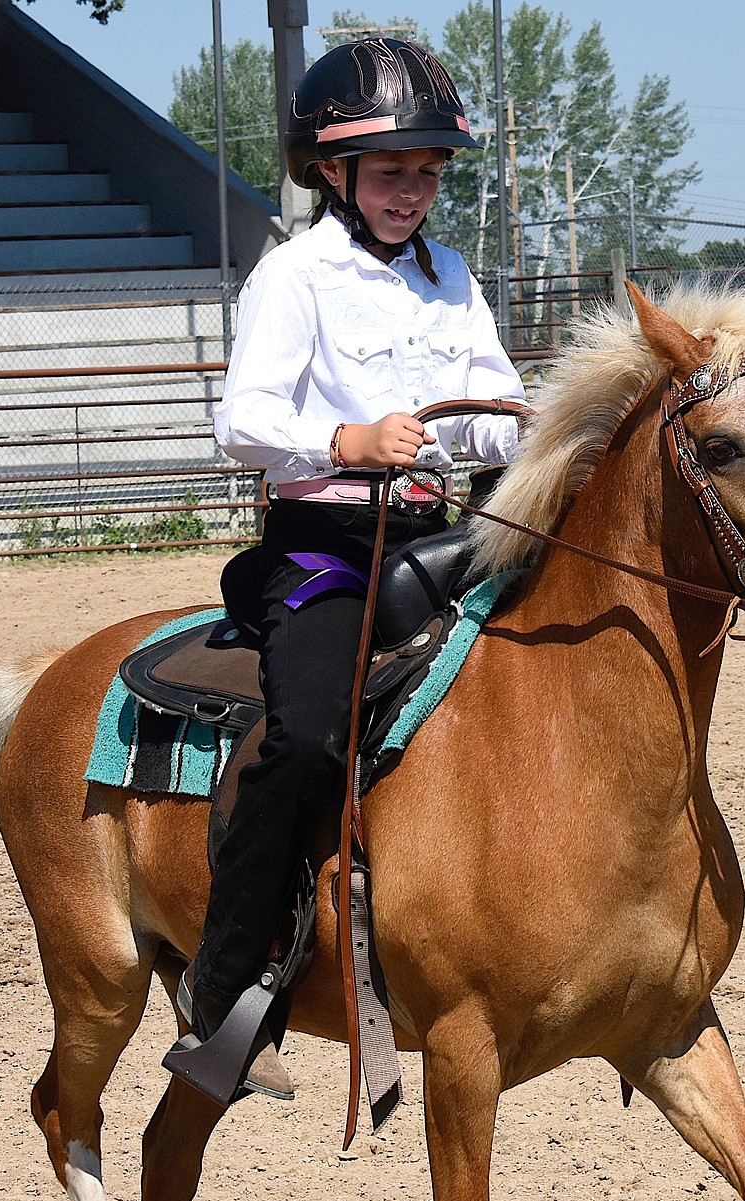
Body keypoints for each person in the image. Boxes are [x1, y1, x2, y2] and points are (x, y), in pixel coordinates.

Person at [166, 36, 526, 1107]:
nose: (411, 189)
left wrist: (543, 433)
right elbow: (243, 421)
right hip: (323, 549)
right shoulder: (293, 275)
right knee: (314, 732)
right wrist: (349, 441)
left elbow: (498, 406)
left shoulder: (451, 279)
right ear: (333, 173)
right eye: (389, 170)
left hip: (439, 539)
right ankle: (226, 993)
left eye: (426, 170)